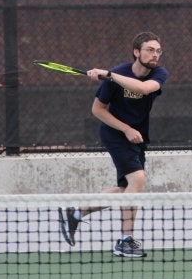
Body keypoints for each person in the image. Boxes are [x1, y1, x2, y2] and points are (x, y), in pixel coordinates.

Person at [59, 32, 169, 258]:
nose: (155, 54)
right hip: (114, 133)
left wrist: (108, 74)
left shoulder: (159, 73)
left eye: (158, 50)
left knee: (126, 190)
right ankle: (125, 240)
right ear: (136, 52)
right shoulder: (116, 74)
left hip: (137, 135)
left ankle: (77, 212)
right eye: (150, 49)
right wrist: (126, 129)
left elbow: (143, 89)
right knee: (137, 179)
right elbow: (97, 110)